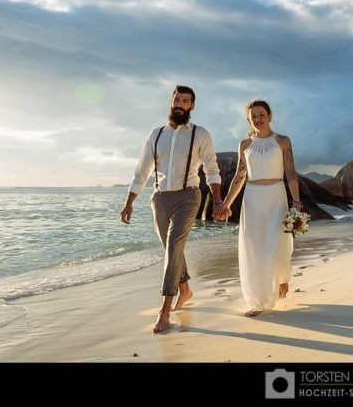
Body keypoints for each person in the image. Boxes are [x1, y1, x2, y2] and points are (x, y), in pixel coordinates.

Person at [120, 85, 226, 333]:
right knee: (171, 249)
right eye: (176, 99)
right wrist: (129, 203)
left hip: (189, 197)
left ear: (192, 107)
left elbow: (212, 168)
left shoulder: (201, 134)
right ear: (171, 102)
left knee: (174, 247)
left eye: (185, 100)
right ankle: (186, 290)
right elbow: (142, 170)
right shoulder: (156, 134)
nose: (180, 103)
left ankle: (164, 310)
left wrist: (218, 200)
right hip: (160, 198)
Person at [220, 99, 301, 317]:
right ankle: (258, 300)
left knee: (279, 243)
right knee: (253, 247)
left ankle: (282, 280)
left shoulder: (282, 141)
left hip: (277, 195)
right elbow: (240, 176)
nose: (258, 119)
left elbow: (291, 173)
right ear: (249, 119)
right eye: (253, 116)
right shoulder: (245, 145)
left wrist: (297, 201)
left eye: (262, 114)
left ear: (270, 116)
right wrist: (225, 204)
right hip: (252, 198)